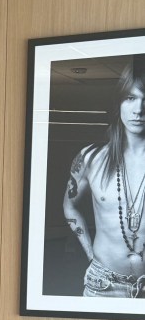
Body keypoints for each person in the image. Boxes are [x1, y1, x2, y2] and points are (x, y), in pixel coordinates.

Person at [64, 62, 145, 297]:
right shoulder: (91, 158)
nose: (139, 110)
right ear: (118, 103)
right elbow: (69, 205)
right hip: (104, 285)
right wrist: (90, 254)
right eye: (130, 98)